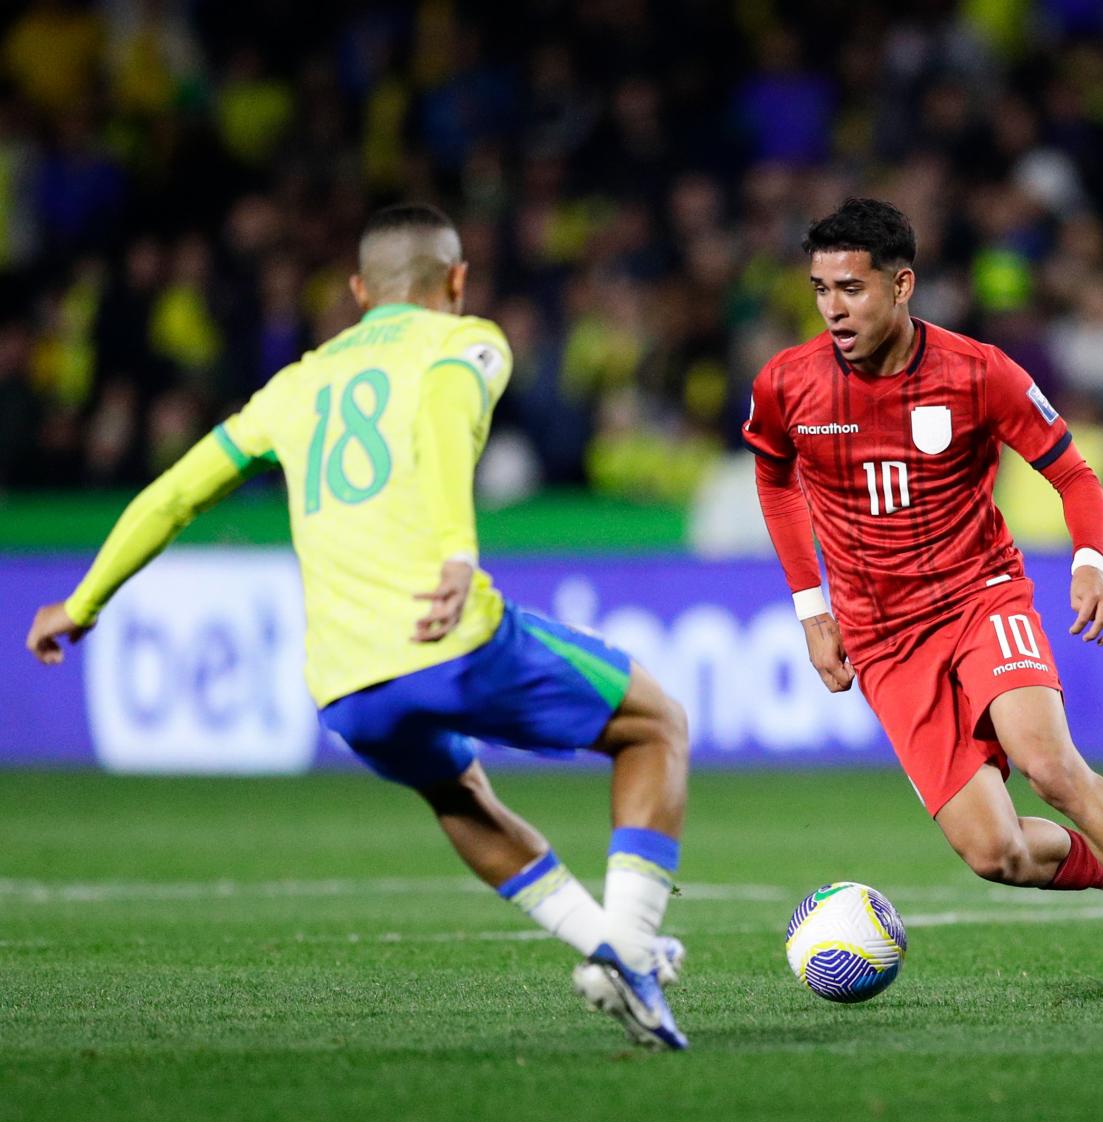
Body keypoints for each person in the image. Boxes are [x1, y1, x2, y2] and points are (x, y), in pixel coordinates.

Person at [23, 204, 698, 1047]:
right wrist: (457, 550)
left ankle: (607, 952)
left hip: (344, 686)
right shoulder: (465, 342)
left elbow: (175, 493)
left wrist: (80, 604)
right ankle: (630, 951)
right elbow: (447, 420)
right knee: (655, 724)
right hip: (445, 637)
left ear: (356, 291)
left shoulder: (295, 383)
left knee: (456, 790)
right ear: (455, 280)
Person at [745, 198, 1103, 1009]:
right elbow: (773, 480)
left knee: (1050, 766)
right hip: (881, 639)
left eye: (853, 289)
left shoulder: (978, 372)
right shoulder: (788, 385)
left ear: (902, 285)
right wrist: (812, 608)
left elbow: (1075, 474)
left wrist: (1090, 564)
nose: (833, 309)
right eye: (819, 289)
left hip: (980, 597)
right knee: (994, 853)